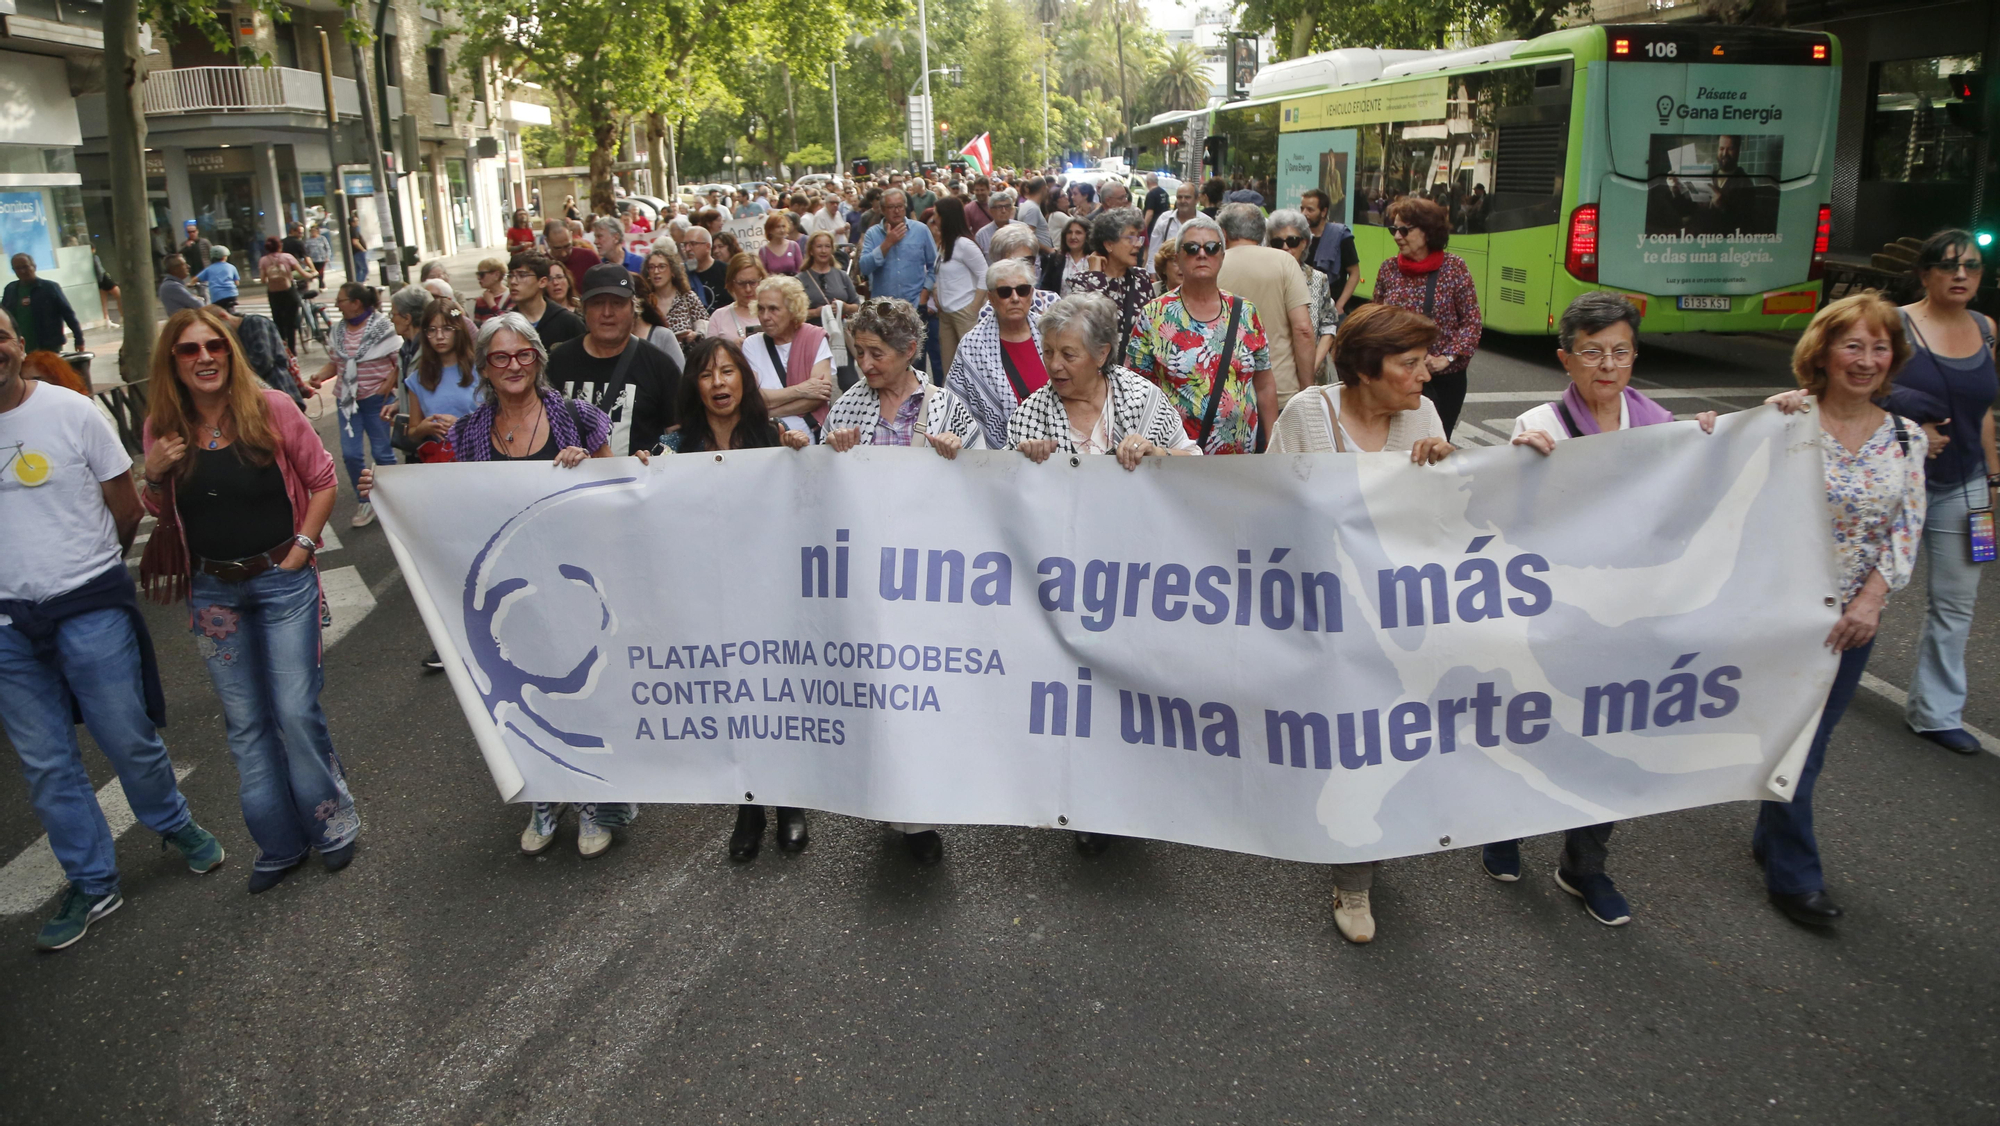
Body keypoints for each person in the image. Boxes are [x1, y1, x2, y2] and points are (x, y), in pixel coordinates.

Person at [356, 312, 643, 856]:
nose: (513, 366)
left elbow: (615, 493)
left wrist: (585, 469)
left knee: (579, 689)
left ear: (538, 359)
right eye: (500, 357)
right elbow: (452, 506)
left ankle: (590, 802)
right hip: (509, 588)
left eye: (523, 355)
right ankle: (542, 794)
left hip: (574, 578)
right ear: (485, 367)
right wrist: (386, 487)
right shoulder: (468, 432)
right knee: (515, 691)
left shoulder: (580, 419)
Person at [1484, 293, 1717, 924]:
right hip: (1555, 616)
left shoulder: (1662, 427)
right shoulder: (1541, 424)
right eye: (1592, 352)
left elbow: (1690, 510)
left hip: (1630, 618)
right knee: (1536, 725)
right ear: (1566, 358)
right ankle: (1503, 824)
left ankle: (1586, 865)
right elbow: (1511, 523)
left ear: (1635, 356)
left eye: (1619, 351)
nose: (1607, 365)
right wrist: (1519, 466)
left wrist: (1730, 441)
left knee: (1608, 737)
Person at [0, 306, 226, 950]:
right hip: (7, 625)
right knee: (45, 762)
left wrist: (86, 574)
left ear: (19, 344)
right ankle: (93, 880)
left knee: (126, 734)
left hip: (88, 605)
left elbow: (125, 508)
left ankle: (172, 820)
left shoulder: (71, 413)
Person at [138, 307, 358, 894]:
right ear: (173, 362)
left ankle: (332, 827)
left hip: (280, 580)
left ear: (231, 354)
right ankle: (279, 844)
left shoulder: (273, 409)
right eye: (189, 350)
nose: (204, 357)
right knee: (245, 725)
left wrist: (303, 549)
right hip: (213, 593)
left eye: (215, 346)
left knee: (293, 709)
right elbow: (163, 514)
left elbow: (322, 479)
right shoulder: (163, 425)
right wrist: (153, 473)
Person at [1264, 302, 1456, 943]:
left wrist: (1445, 471)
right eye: (1409, 363)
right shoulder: (1307, 416)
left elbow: (1441, 526)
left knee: (1375, 742)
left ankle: (1356, 872)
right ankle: (1349, 864)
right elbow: (1269, 508)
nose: (1425, 375)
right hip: (1321, 615)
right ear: (1367, 369)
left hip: (1394, 619)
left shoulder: (1421, 416)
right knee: (1341, 740)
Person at [1759, 294, 1929, 927]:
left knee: (1809, 741)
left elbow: (1906, 529)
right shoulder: (1788, 422)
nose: (1866, 360)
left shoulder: (1907, 439)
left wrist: (1872, 601)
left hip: (1851, 625)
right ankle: (1794, 876)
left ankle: (1772, 835)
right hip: (1782, 614)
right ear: (1823, 352)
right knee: (1791, 739)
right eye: (1852, 345)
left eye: (1879, 347)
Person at [1877, 230, 2000, 755]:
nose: (1961, 275)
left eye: (1971, 266)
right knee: (1858, 589)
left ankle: (1936, 712)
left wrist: (1992, 480)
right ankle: (1816, 678)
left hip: (1964, 485)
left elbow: (1985, 411)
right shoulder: (1894, 324)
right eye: (1949, 266)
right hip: (1891, 482)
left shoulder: (1986, 328)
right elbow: (1862, 387)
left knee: (1956, 603)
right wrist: (1912, 428)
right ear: (1925, 273)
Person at [1127, 216, 1275, 455]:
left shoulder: (1247, 312)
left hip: (1241, 463)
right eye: (1192, 248)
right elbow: (1133, 389)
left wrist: (1271, 443)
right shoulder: (1154, 314)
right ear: (1177, 259)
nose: (1202, 254)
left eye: (1212, 247)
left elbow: (1265, 384)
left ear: (1222, 256)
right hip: (1174, 459)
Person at [543, 263, 680, 455]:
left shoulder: (659, 365)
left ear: (634, 308)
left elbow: (680, 434)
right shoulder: (559, 362)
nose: (607, 313)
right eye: (598, 303)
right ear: (583, 309)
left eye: (617, 303)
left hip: (638, 482)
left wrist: (657, 457)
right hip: (571, 481)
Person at [1372, 196, 1480, 436]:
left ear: (1428, 232)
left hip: (1443, 381)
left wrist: (1447, 358)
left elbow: (1471, 323)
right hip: (1396, 377)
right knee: (1397, 442)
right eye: (1394, 229)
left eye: (1404, 230)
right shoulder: (1388, 269)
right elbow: (1374, 321)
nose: (1397, 236)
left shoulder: (1454, 268)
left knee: (1434, 442)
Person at [308, 282, 400, 528]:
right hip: (347, 401)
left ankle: (394, 500)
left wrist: (389, 384)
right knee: (350, 454)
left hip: (376, 400)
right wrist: (320, 375)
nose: (336, 304)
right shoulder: (337, 330)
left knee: (382, 453)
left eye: (340, 300)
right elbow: (336, 364)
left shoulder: (383, 327)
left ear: (356, 303)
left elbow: (400, 360)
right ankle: (366, 499)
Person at [1216, 203, 1317, 412]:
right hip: (1281, 390)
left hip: (1227, 391)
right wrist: (1307, 388)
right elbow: (1303, 329)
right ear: (1262, 233)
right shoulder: (1285, 262)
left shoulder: (1214, 265)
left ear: (1223, 233)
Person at [948, 257, 1059, 443]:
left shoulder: (1052, 333)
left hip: (1055, 445)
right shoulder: (972, 345)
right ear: (991, 298)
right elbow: (955, 406)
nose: (1015, 298)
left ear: (1031, 294)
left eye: (1022, 291)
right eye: (1005, 292)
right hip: (999, 456)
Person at [742, 275, 834, 439]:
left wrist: (770, 410)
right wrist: (801, 390)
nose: (765, 316)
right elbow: (751, 399)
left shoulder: (814, 338)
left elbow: (819, 396)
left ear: (793, 310)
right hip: (767, 437)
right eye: (761, 309)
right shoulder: (752, 344)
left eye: (773, 309)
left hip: (810, 438)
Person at [1264, 209, 1339, 388]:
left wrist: (1310, 366)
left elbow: (1329, 326)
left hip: (1313, 376)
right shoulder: (1264, 278)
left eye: (1292, 241)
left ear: (1304, 243)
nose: (1285, 247)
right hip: (1274, 376)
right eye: (1277, 242)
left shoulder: (1318, 279)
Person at [1066, 208, 1153, 354]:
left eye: (1139, 238)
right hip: (1099, 370)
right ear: (1109, 245)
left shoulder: (1141, 278)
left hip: (1135, 371)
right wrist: (1095, 276)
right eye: (1130, 238)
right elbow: (1094, 325)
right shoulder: (1081, 281)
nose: (1138, 244)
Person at [930, 198, 986, 377]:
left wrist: (973, 308)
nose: (933, 219)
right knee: (950, 369)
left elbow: (985, 274)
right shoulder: (944, 245)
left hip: (964, 314)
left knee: (972, 367)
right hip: (945, 314)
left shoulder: (964, 245)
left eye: (936, 215)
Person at [859, 189, 937, 308]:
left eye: (900, 206)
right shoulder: (872, 233)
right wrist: (887, 244)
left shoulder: (921, 230)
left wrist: (925, 294)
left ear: (905, 207)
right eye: (891, 207)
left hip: (914, 305)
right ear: (883, 210)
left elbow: (934, 266)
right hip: (883, 307)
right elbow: (864, 268)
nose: (896, 211)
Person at [4, 253, 84, 355]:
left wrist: (79, 339)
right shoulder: (10, 289)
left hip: (48, 346)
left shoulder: (49, 288)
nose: (22, 271)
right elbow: (5, 317)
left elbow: (68, 314)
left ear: (34, 266)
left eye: (25, 267)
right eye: (17, 268)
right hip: (21, 348)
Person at [504, 254, 585, 348]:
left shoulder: (568, 322)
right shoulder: (506, 324)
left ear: (542, 282)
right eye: (510, 275)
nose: (513, 281)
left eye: (522, 275)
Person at [1301, 188, 1359, 316]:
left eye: (1310, 209)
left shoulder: (1341, 236)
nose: (1304, 213)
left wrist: (1340, 305)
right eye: (1302, 209)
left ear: (1323, 212)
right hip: (1304, 309)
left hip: (1332, 311)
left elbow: (1354, 273)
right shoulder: (1298, 238)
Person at [641, 249, 706, 343]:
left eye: (662, 266)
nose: (656, 271)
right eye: (651, 267)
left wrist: (695, 335)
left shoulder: (687, 297)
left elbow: (706, 325)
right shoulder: (645, 302)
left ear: (672, 271)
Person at [257, 236, 306, 355]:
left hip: (273, 294)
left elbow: (263, 280)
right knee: (291, 322)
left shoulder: (263, 260)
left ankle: (282, 348)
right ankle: (292, 350)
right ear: (280, 246)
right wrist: (313, 274)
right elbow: (302, 273)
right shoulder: (287, 257)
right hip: (288, 292)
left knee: (278, 321)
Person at [705, 253, 767, 342]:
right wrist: (732, 349)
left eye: (753, 282)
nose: (748, 289)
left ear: (762, 281)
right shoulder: (719, 317)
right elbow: (710, 353)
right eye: (741, 283)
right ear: (731, 284)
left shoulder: (772, 313)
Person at [799, 231, 860, 323]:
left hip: (838, 332)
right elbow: (793, 313)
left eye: (827, 246)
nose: (823, 251)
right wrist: (815, 312)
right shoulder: (800, 279)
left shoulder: (842, 276)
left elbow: (858, 306)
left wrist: (845, 308)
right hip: (811, 332)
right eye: (819, 246)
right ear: (811, 251)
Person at [543, 218, 602, 282]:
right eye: (557, 248)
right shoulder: (542, 264)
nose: (564, 253)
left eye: (567, 246)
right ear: (547, 242)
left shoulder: (588, 257)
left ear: (571, 236)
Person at [1150, 182, 1198, 260]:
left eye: (1187, 197)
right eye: (1179, 197)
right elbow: (1154, 250)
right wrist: (1152, 271)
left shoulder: (1205, 222)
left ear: (1197, 200)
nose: (1183, 201)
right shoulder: (1164, 219)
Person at [1043, 219, 1092, 294]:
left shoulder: (1094, 259)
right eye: (1069, 232)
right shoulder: (1056, 259)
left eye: (1078, 233)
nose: (1073, 237)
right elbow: (1046, 287)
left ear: (1087, 236)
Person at [681, 227, 727, 308]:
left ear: (708, 247)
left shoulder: (726, 271)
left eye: (693, 244)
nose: (687, 249)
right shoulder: (681, 274)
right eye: (685, 245)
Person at [194, 246, 241, 314]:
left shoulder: (209, 269)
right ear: (225, 257)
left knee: (217, 312)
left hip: (217, 295)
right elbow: (237, 283)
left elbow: (196, 279)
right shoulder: (231, 267)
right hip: (232, 294)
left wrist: (190, 283)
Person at [759, 213, 804, 277]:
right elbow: (763, 274)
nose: (782, 230)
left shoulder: (794, 246)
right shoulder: (763, 251)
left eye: (783, 226)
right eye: (778, 227)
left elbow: (800, 270)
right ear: (770, 230)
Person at [1018, 176, 1055, 253]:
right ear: (1043, 188)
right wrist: (1049, 250)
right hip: (1040, 256)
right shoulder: (1032, 208)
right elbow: (1029, 238)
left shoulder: (1029, 205)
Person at [975, 192, 1017, 259]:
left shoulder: (1021, 228)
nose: (1003, 211)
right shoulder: (982, 235)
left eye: (1007, 206)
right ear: (991, 211)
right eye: (999, 207)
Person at [472, 257, 513, 325]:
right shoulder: (480, 300)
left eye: (482, 274)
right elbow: (477, 328)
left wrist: (491, 304)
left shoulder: (511, 297)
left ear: (496, 275)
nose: (478, 278)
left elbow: (509, 324)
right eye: (478, 274)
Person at [302, 224, 333, 289]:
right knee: (315, 272)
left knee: (321, 272)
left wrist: (328, 256)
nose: (313, 232)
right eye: (311, 231)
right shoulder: (308, 240)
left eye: (314, 231)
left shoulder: (322, 238)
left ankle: (321, 285)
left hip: (321, 258)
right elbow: (306, 250)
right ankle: (322, 284)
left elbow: (327, 248)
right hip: (312, 260)